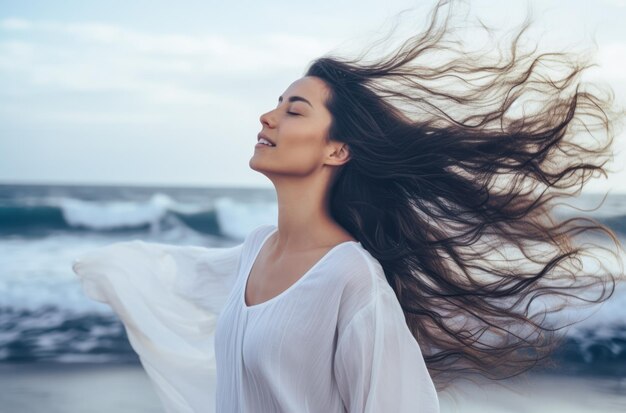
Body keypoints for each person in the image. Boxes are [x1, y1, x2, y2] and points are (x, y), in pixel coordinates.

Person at [72, 0, 625, 412]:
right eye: (276, 105)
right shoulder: (255, 249)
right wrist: (115, 267)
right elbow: (183, 280)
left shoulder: (351, 278)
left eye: (294, 110)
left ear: (337, 148)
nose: (268, 117)